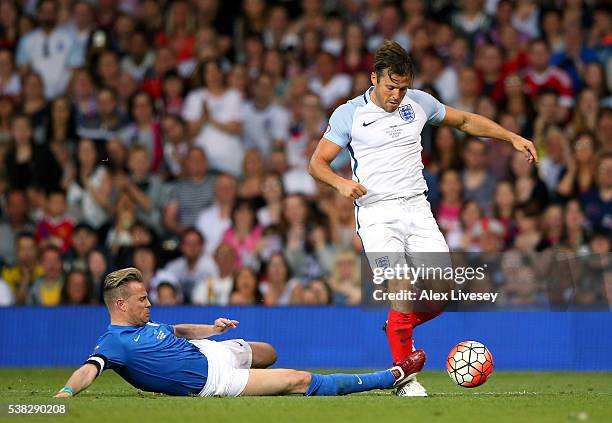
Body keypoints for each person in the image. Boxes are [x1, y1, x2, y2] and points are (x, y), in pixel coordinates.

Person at [308, 40, 537, 397]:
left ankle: (398, 323)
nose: (397, 95)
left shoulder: (419, 103)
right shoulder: (348, 114)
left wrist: (510, 137)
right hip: (377, 214)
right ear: (374, 78)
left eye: (402, 86)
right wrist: (340, 184)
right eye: (390, 87)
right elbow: (317, 163)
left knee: (443, 289)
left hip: (418, 209)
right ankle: (405, 380)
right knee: (399, 286)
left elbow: (464, 120)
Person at [53, 267, 425, 398]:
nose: (148, 304)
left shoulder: (146, 324)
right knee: (297, 380)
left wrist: (212, 329)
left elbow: (179, 329)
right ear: (120, 305)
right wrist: (67, 390)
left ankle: (262, 379)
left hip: (209, 352)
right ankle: (391, 375)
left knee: (269, 352)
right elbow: (90, 368)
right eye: (142, 299)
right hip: (213, 380)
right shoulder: (112, 343)